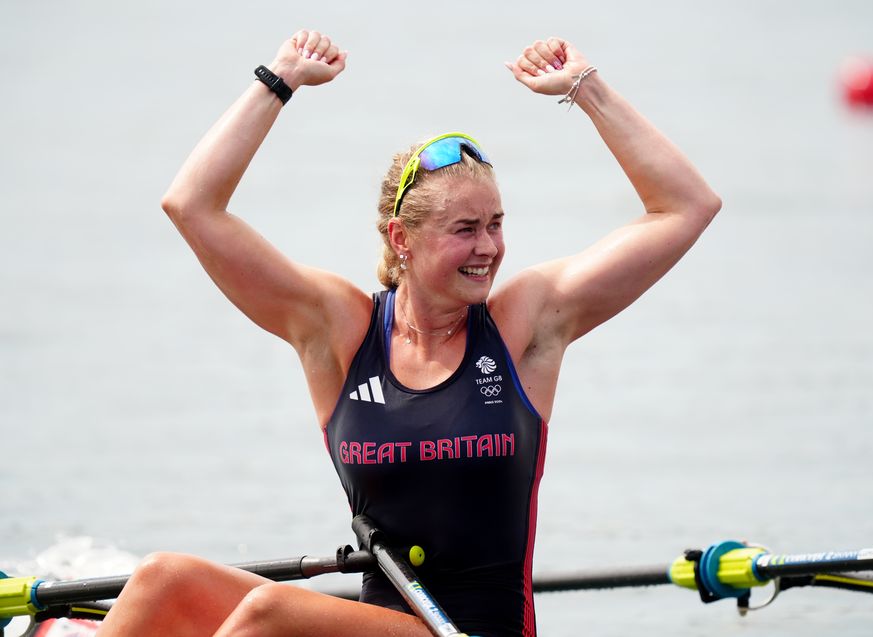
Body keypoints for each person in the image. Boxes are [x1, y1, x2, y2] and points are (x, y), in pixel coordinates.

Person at [97, 29, 720, 637]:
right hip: (380, 623)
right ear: (402, 240)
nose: (489, 248)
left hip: (476, 628)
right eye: (465, 229)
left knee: (269, 615)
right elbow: (192, 206)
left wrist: (585, 88)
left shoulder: (524, 323)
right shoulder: (339, 329)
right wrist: (279, 81)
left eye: (496, 224)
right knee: (160, 579)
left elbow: (686, 207)